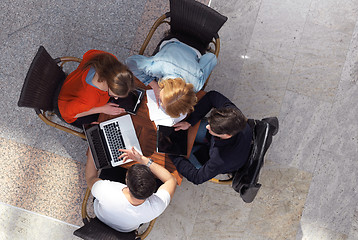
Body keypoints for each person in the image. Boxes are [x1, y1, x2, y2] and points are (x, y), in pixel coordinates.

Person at [169, 91, 253, 185]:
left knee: (177, 154)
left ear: (227, 135)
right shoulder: (233, 114)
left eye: (212, 128)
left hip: (213, 155)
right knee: (180, 133)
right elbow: (212, 96)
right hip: (220, 143)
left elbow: (197, 177)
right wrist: (190, 122)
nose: (207, 127)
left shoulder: (220, 160)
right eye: (210, 123)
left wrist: (172, 154)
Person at [85, 147, 177, 233]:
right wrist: (143, 160)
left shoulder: (107, 191)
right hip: (126, 229)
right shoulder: (156, 206)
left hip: (104, 213)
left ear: (126, 182)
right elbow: (171, 180)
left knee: (114, 162)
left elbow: (90, 177)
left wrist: (93, 148)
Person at [125, 38, 217, 118]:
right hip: (177, 45)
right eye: (162, 102)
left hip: (184, 48)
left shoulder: (196, 84)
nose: (160, 104)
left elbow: (212, 57)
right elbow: (130, 62)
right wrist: (153, 84)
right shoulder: (156, 66)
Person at [58, 50, 135, 128]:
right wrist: (101, 109)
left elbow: (88, 54)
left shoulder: (108, 58)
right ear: (108, 85)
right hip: (68, 106)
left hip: (72, 84)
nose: (115, 97)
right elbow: (67, 114)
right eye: (113, 95)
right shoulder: (88, 99)